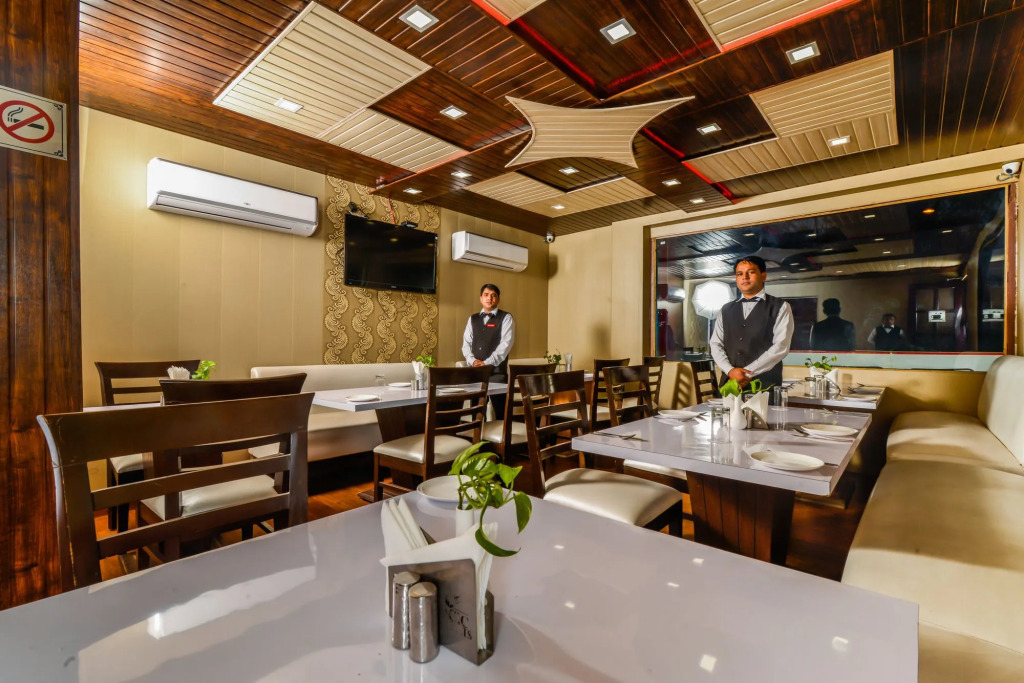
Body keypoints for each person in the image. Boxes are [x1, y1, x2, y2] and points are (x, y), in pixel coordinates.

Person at [710, 256, 794, 391]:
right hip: (729, 382)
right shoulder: (725, 309)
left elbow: (781, 346)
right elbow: (716, 344)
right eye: (739, 274)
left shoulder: (781, 307)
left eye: (751, 272)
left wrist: (747, 373)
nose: (745, 277)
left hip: (765, 384)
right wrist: (730, 370)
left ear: (763, 276)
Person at [462, 283, 514, 384]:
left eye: (493, 295)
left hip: (497, 375)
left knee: (499, 397)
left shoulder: (506, 317)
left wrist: (486, 363)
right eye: (486, 295)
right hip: (474, 373)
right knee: (474, 396)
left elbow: (506, 344)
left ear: (498, 299)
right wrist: (473, 361)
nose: (489, 298)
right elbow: (466, 343)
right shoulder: (472, 318)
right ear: (481, 298)